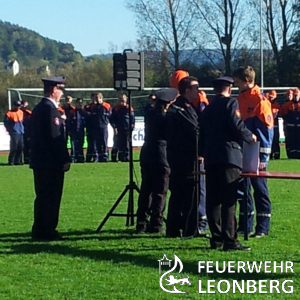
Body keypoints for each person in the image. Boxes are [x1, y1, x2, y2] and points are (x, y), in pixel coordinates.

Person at [200, 76, 256, 251]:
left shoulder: (207, 109)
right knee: (229, 199)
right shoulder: (230, 103)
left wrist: (201, 153)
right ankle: (230, 240)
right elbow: (236, 124)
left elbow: (202, 133)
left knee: (213, 199)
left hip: (211, 157)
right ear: (229, 89)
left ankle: (216, 238)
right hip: (228, 156)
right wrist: (249, 136)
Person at [232, 66, 273, 238]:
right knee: (243, 189)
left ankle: (263, 227)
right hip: (242, 152)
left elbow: (267, 132)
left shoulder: (260, 101)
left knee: (259, 188)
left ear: (247, 81)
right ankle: (245, 225)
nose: (235, 84)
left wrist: (263, 158)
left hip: (257, 154)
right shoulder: (240, 99)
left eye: (237, 81)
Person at [30, 76, 71, 241]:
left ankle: (39, 228)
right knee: (51, 197)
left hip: (39, 160)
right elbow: (56, 138)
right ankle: (48, 230)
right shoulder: (50, 109)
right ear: (54, 90)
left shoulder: (39, 108)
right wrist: (64, 159)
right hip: (51, 163)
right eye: (61, 90)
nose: (62, 94)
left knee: (41, 196)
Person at [136, 88, 178, 234]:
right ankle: (156, 224)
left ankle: (141, 222)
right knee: (160, 191)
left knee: (146, 189)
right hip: (161, 155)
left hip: (147, 152)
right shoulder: (166, 118)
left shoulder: (150, 113)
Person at [166, 76, 200, 238]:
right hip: (184, 158)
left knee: (178, 194)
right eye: (196, 88)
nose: (198, 91)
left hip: (178, 156)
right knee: (187, 194)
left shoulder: (182, 107)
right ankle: (187, 228)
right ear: (187, 91)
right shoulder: (181, 109)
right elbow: (195, 132)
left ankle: (174, 229)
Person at [110, 94, 135, 162]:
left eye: (123, 101)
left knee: (126, 144)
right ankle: (114, 158)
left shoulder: (129, 108)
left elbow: (132, 120)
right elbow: (112, 119)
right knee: (117, 144)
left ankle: (126, 157)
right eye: (121, 101)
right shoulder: (115, 109)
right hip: (118, 129)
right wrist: (114, 127)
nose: (122, 103)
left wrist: (132, 128)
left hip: (127, 129)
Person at [91, 93, 111, 162]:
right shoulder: (94, 107)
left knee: (104, 142)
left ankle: (105, 157)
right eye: (96, 98)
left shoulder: (106, 106)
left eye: (98, 98)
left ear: (101, 98)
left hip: (104, 126)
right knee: (97, 143)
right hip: (96, 127)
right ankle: (98, 157)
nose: (96, 100)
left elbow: (110, 115)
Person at [3, 100, 24, 165]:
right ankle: (11, 161)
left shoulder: (21, 112)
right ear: (14, 106)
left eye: (19, 106)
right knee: (14, 147)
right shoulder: (9, 113)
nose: (18, 107)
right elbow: (6, 123)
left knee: (20, 147)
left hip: (20, 131)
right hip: (14, 132)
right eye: (17, 106)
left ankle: (18, 161)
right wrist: (10, 130)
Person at [69, 98, 86, 163]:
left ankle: (80, 158)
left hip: (81, 131)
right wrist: (69, 130)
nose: (80, 104)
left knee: (81, 144)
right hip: (74, 131)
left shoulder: (83, 112)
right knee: (73, 145)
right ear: (76, 103)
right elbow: (69, 122)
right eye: (78, 103)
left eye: (81, 103)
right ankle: (73, 158)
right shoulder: (72, 112)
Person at [266, 90, 281, 159]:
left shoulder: (276, 105)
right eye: (270, 97)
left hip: (275, 126)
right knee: (270, 141)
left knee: (276, 140)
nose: (271, 98)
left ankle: (277, 154)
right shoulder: (267, 104)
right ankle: (270, 154)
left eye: (272, 97)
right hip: (269, 126)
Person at [281, 90, 294, 157]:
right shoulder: (285, 105)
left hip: (295, 126)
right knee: (288, 139)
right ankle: (289, 153)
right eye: (288, 95)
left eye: (290, 95)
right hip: (288, 126)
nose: (289, 96)